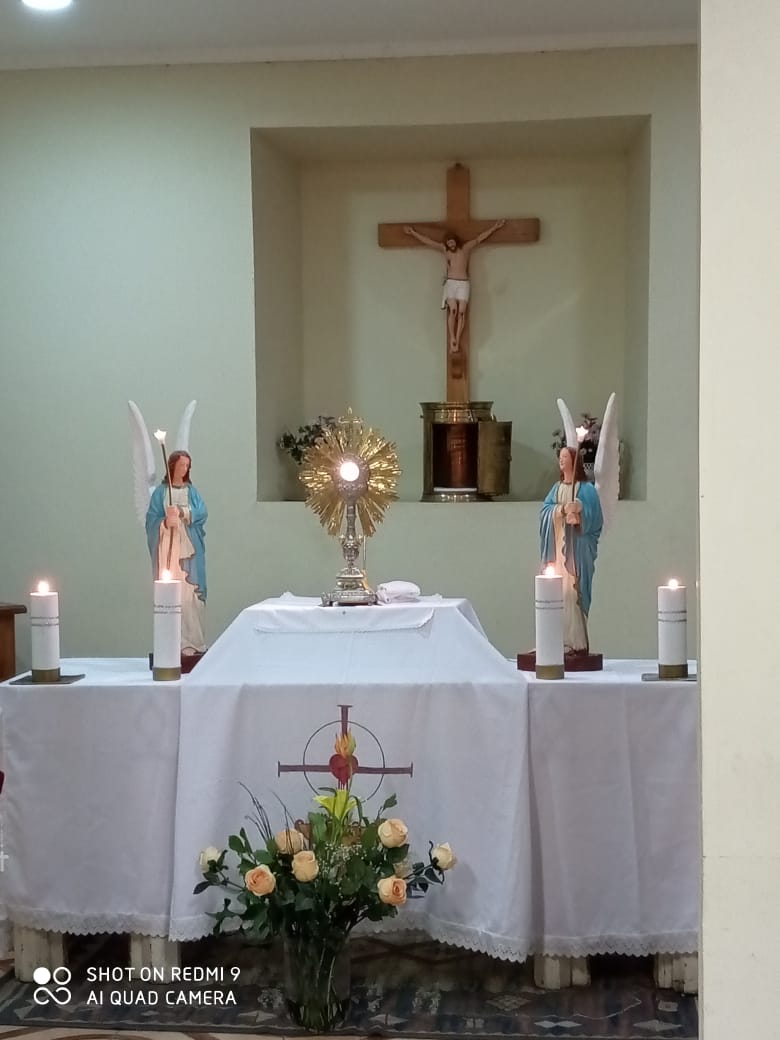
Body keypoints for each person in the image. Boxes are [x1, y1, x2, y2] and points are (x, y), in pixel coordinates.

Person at [403, 219, 506, 354]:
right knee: (453, 311)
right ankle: (452, 337)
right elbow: (428, 242)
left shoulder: (466, 248)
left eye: (452, 242)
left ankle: (457, 337)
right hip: (451, 284)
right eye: (448, 243)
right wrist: (413, 233)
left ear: (456, 241)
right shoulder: (444, 250)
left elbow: (480, 238)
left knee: (462, 311)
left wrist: (495, 227)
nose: (450, 244)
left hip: (463, 284)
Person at [539, 447, 603, 654]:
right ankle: (558, 640)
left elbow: (596, 519)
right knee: (557, 592)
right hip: (558, 549)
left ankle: (577, 642)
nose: (561, 460)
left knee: (575, 593)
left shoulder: (587, 489)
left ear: (574, 461)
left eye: (565, 457)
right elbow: (545, 512)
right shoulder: (556, 488)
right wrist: (561, 510)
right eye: (560, 457)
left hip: (577, 552)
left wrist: (581, 511)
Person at [145, 450, 207, 655]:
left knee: (190, 594)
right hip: (169, 552)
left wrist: (183, 513)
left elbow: (202, 513)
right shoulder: (161, 493)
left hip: (189, 552)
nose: (185, 469)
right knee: (172, 594)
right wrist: (164, 523)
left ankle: (193, 641)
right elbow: (151, 520)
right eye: (181, 465)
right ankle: (174, 642)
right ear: (172, 466)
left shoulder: (192, 492)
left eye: (187, 465)